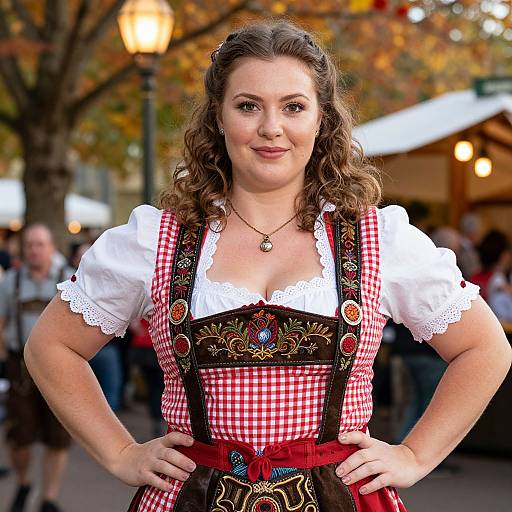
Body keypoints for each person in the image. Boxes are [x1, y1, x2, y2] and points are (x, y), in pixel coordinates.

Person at [23, 21, 511, 512]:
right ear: (218, 116)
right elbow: (52, 347)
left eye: (293, 107)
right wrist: (120, 451)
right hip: (189, 499)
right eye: (248, 105)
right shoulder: (155, 240)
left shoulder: (378, 240)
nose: (271, 128)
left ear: (322, 120)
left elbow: (484, 348)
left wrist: (414, 454)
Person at [0, 224, 74, 512]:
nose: (34, 250)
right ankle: (23, 482)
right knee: (20, 435)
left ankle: (49, 498)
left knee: (58, 435)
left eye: (39, 244)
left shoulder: (67, 278)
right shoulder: (11, 282)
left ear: (51, 246)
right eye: (29, 244)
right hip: (20, 366)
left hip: (61, 366)